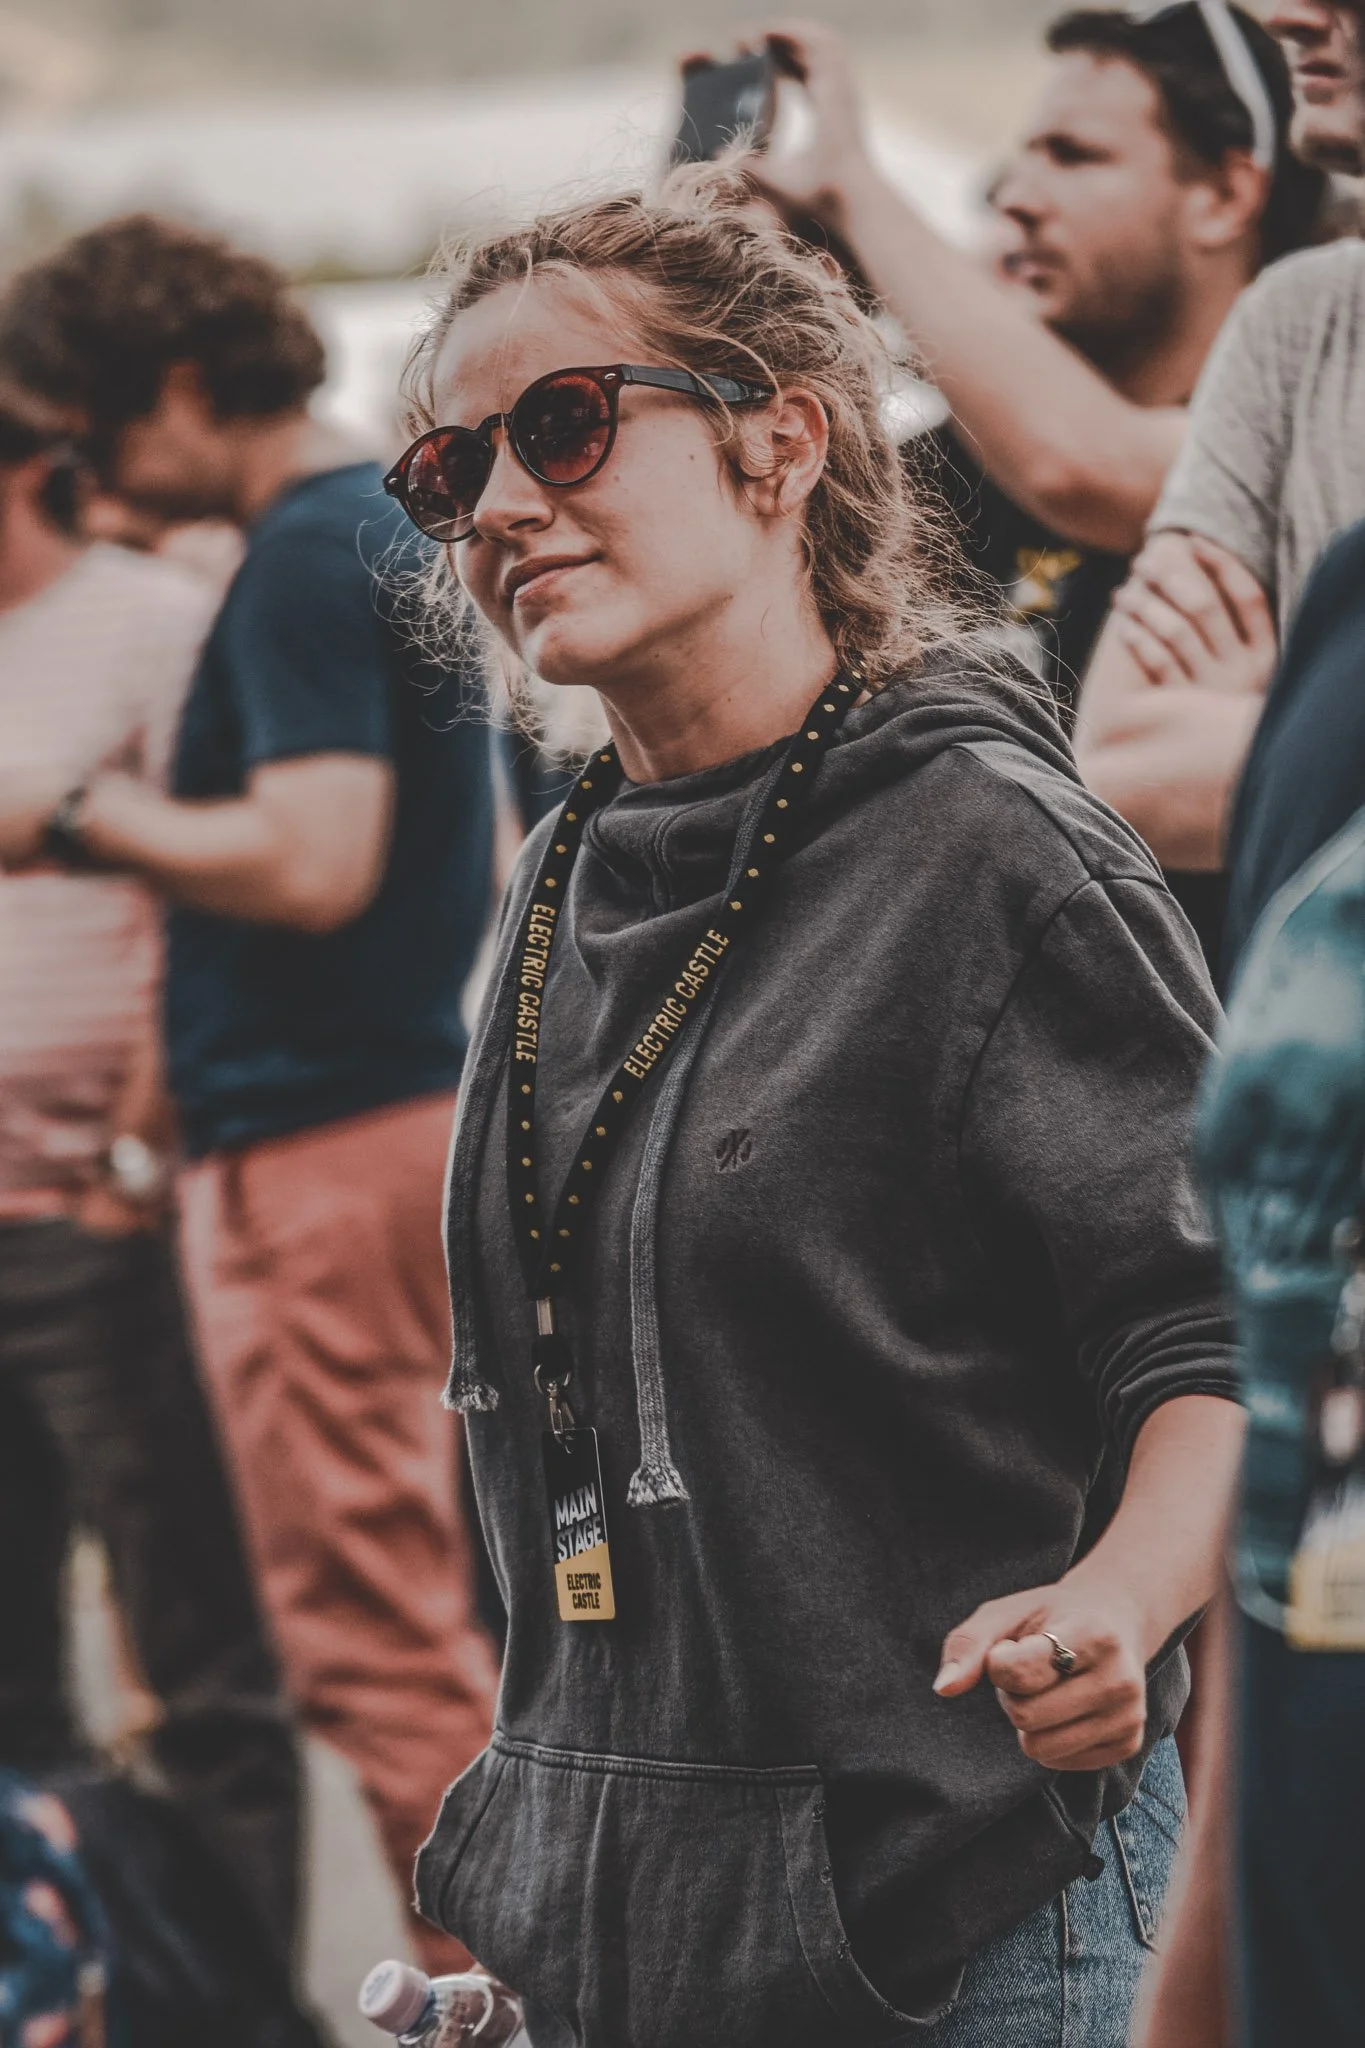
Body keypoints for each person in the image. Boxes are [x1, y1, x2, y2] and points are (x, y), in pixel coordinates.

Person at [380, 169, 1243, 2048]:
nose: (504, 505)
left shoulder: (988, 845)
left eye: (562, 425)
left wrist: (1120, 1598)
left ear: (782, 442)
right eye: (451, 474)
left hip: (968, 1920)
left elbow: (1228, 1322)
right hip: (650, 1936)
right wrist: (562, 1896)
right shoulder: (562, 882)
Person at [0, 215, 500, 1970]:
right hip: (377, 1124)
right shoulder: (375, 534)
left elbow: (311, 858)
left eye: (98, 428)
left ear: (190, 385)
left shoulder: (300, 555)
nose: (87, 472)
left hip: (311, 1147)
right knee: (430, 1610)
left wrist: (65, 818)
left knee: (366, 1635)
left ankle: (483, 1997)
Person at [0, 380, 323, 2044]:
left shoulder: (150, 622)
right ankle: (53, 1989)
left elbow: (215, 899)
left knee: (201, 1657)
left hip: (96, 1218)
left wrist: (135, 1146)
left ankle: (239, 2009)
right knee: (9, 1686)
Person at [727, 7, 1322, 711]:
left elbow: (1086, 468)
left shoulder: (1315, 429)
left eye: (1072, 155)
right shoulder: (955, 467)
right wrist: (743, 275)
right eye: (1022, 158)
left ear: (1225, 196)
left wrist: (852, 185)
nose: (1014, 198)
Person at [1076, 0, 1365, 980]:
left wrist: (1287, 709)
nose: (1291, 14)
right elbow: (1119, 763)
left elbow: (1074, 461)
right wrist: (1314, 723)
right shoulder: (1303, 320)